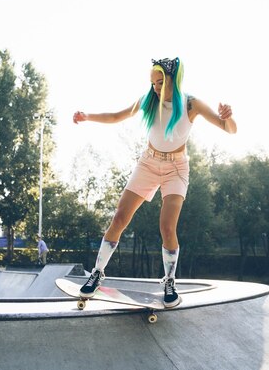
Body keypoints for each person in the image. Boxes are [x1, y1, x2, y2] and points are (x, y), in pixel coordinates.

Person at [72, 57, 236, 307]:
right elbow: (117, 116)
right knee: (119, 218)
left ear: (173, 79)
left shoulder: (191, 104)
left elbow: (230, 129)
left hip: (176, 168)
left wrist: (228, 117)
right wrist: (87, 116)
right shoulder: (149, 100)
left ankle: (170, 281)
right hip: (148, 163)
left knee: (167, 227)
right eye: (152, 83)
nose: (156, 88)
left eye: (160, 82)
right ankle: (97, 273)